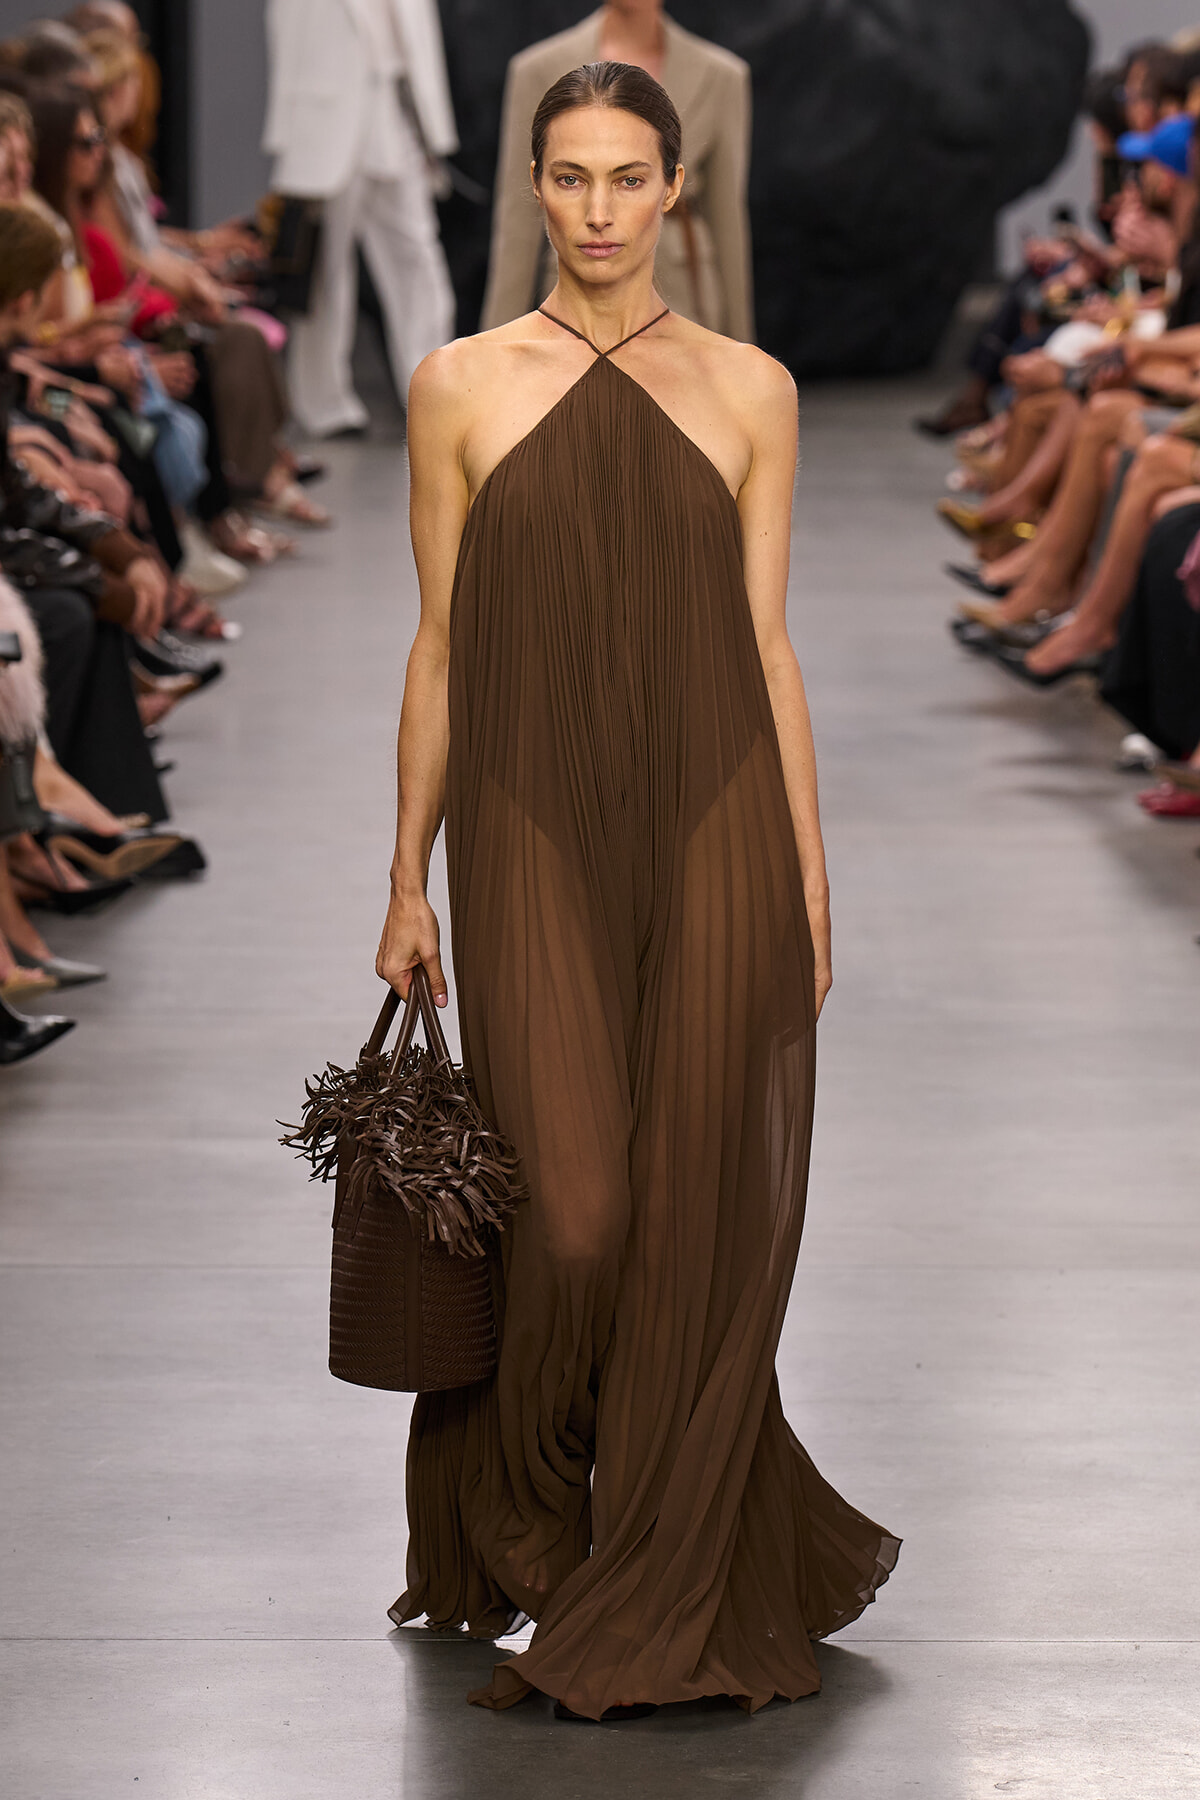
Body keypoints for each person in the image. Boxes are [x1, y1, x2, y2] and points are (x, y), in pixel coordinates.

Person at [375, 60, 898, 1720]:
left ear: (677, 192)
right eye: (569, 178)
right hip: (524, 829)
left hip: (711, 820)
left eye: (629, 179)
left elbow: (766, 647)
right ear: (530, 187)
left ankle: (662, 1551)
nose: (599, 211)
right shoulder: (456, 386)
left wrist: (810, 875)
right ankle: (527, 1509)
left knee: (689, 1212)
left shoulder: (754, 389)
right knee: (577, 1209)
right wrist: (405, 878)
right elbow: (442, 646)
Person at [481, 3, 753, 340]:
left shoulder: (721, 75)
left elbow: (727, 217)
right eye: (570, 179)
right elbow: (517, 225)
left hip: (688, 292)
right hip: (575, 293)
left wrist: (744, 350)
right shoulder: (538, 69)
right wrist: (491, 349)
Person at [262, 0, 458, 437]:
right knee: (326, 270)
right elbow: (285, 30)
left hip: (396, 117)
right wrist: (285, 134)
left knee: (419, 258)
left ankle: (435, 391)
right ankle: (323, 403)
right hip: (327, 123)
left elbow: (422, 42)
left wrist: (435, 128)